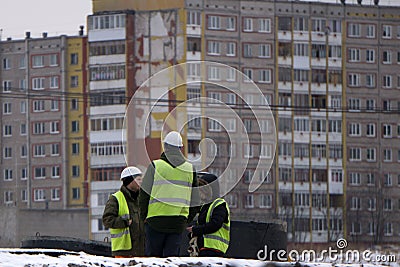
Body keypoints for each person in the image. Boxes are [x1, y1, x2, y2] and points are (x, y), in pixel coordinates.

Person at [139, 131, 200, 257]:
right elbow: (196, 200)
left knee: (153, 261)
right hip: (177, 222)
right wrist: (186, 219)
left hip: (155, 221)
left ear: (165, 146)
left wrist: (143, 216)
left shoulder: (156, 166)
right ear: (180, 148)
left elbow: (144, 195)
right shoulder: (189, 169)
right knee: (172, 260)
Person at [102, 166, 145, 258]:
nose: (141, 182)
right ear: (130, 181)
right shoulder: (116, 198)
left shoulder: (142, 198)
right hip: (124, 252)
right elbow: (107, 220)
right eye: (139, 179)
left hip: (142, 251)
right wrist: (124, 222)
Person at [186, 178, 230, 257]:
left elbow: (215, 224)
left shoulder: (219, 204)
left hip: (214, 248)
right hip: (203, 248)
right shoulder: (204, 207)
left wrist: (195, 230)